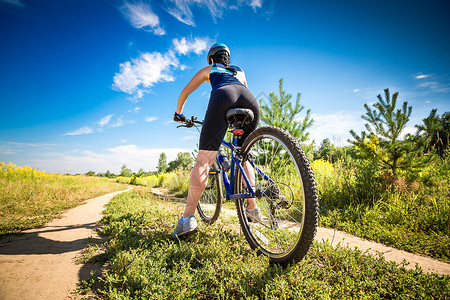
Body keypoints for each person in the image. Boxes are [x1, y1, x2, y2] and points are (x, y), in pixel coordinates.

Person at [172, 43, 261, 237]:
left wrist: (179, 114)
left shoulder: (210, 69)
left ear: (212, 59)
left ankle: (186, 220)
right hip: (250, 101)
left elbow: (185, 92)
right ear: (227, 58)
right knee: (244, 155)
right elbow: (241, 90)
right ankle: (252, 208)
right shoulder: (240, 71)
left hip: (223, 95)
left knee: (204, 160)